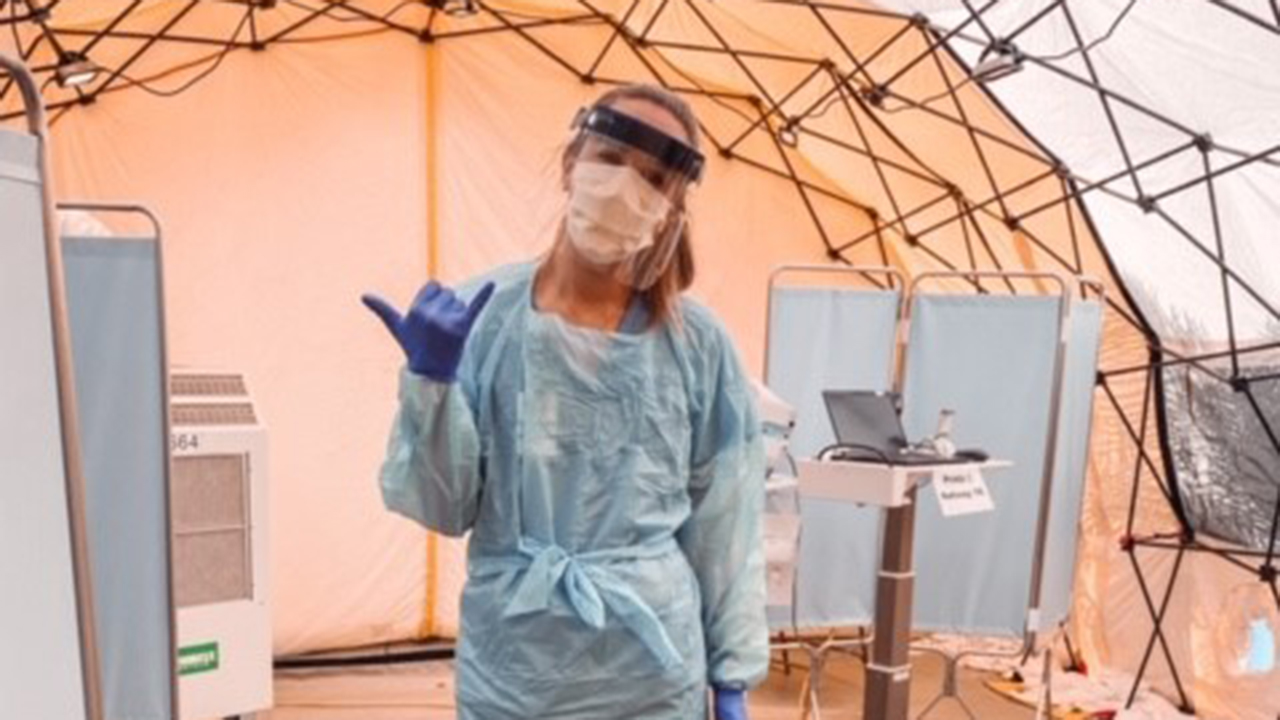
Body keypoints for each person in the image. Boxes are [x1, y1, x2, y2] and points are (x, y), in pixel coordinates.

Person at [363, 83, 767, 719]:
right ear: (569, 164)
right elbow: (444, 506)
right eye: (610, 159)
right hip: (518, 673)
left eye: (655, 179)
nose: (625, 188)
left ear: (670, 210)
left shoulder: (696, 344)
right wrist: (432, 385)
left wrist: (732, 674)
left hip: (650, 673)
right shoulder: (481, 319)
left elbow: (726, 520)